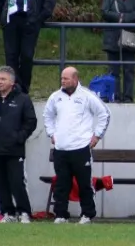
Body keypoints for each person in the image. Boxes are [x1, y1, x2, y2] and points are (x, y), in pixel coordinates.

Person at [43, 67, 111, 224]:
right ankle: (60, 215)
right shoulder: (55, 97)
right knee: (61, 183)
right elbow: (47, 115)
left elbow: (104, 114)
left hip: (81, 148)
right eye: (62, 78)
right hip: (61, 149)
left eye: (66, 79)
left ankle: (87, 214)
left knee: (84, 183)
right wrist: (51, 133)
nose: (63, 81)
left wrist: (97, 136)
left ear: (75, 79)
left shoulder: (87, 96)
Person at [0, 66, 37, 223]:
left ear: (12, 82)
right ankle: (7, 213)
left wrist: (19, 137)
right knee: (0, 184)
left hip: (13, 150)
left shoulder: (22, 99)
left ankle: (24, 212)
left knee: (17, 182)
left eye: (3, 79)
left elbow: (30, 122)